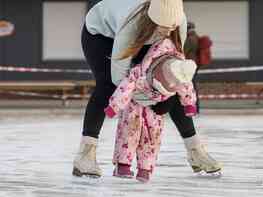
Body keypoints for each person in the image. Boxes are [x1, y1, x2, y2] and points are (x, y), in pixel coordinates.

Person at [73, 0, 221, 178]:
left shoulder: (178, 21)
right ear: (153, 18)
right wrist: (143, 93)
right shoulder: (132, 23)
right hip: (100, 34)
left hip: (144, 35)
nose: (167, 31)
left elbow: (177, 67)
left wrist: (161, 93)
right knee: (107, 85)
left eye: (170, 27)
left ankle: (196, 151)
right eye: (162, 26)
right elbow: (118, 77)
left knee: (171, 81)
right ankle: (85, 154)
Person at [105, 38, 198, 183]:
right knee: (129, 131)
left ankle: (145, 168)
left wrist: (189, 104)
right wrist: (114, 105)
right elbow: (126, 86)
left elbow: (187, 87)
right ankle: (123, 164)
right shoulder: (140, 72)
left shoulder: (179, 71)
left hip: (155, 107)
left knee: (152, 137)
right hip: (134, 105)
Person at [184, 22, 201, 112]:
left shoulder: (189, 38)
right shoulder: (196, 37)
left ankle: (193, 107)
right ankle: (195, 107)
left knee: (190, 86)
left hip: (189, 64)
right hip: (194, 64)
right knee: (192, 85)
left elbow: (184, 51)